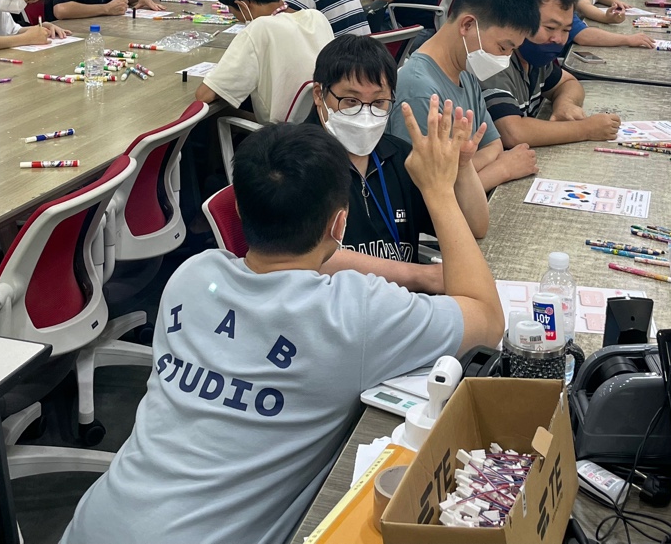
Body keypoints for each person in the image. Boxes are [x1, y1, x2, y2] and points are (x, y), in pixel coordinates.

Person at [58, 102, 504, 544]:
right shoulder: (354, 312)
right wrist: (438, 191)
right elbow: (487, 318)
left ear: (241, 210)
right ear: (340, 224)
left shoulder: (190, 278)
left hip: (92, 523)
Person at [307, 36, 489, 292]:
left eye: (378, 103)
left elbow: (475, 227)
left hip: (403, 304)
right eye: (351, 101)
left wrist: (462, 166)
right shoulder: (294, 164)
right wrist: (419, 275)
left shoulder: (401, 156)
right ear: (319, 94)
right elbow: (304, 258)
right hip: (336, 306)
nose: (365, 115)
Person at [390, 0, 540, 191]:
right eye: (502, 47)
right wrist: (501, 170)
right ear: (467, 25)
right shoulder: (419, 91)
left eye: (511, 50)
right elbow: (428, 193)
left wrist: (461, 170)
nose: (505, 58)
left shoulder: (465, 70)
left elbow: (494, 144)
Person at [481, 0, 621, 148]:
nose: (558, 39)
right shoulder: (498, 62)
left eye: (566, 30)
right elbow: (512, 133)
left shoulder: (536, 59)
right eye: (550, 28)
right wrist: (586, 129)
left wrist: (565, 104)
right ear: (522, 19)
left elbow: (569, 83)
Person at [194, 0, 334, 123]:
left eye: (234, 12)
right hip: (325, 125)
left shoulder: (259, 28)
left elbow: (204, 95)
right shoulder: (317, 17)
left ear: (242, 5)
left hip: (279, 134)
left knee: (212, 117)